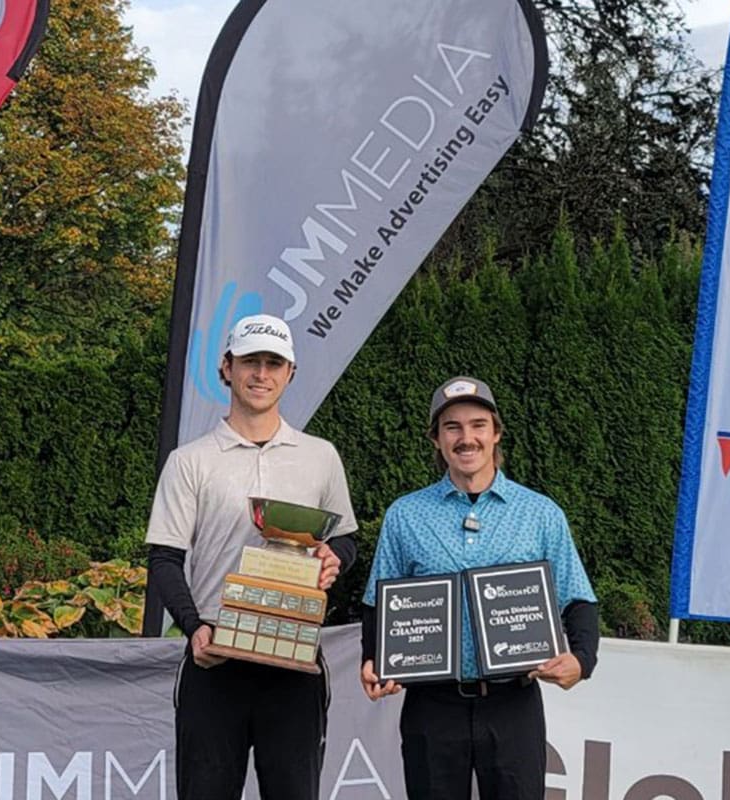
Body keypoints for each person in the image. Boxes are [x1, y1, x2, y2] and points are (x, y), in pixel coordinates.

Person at [146, 313, 357, 800]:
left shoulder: (320, 456)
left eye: (273, 363)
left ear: (290, 374)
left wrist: (334, 559)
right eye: (250, 362)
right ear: (227, 368)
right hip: (216, 656)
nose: (261, 374)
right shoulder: (190, 461)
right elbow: (164, 557)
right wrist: (194, 625)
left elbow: (344, 538)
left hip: (295, 658)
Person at [360, 376, 598, 800]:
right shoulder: (405, 515)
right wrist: (374, 658)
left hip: (513, 703)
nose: (466, 438)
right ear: (435, 439)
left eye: (477, 425)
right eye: (452, 427)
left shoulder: (540, 513)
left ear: (496, 433)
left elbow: (577, 597)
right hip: (432, 705)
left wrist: (581, 659)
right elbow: (379, 602)